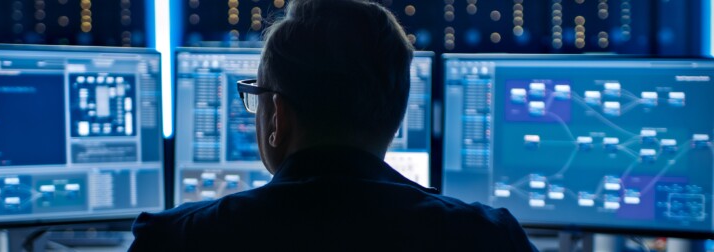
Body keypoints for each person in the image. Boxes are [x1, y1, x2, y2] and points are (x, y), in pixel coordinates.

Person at [129, 0, 537, 251]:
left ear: (278, 117)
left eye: (257, 95)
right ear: (395, 119)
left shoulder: (176, 240)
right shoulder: (489, 238)